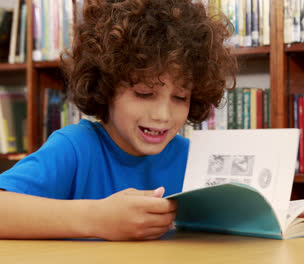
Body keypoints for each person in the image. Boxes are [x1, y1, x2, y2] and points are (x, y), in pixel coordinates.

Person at [0, 0, 237, 241]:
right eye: (144, 93)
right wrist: (97, 219)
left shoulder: (193, 159)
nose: (163, 115)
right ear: (106, 87)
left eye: (180, 97)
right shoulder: (75, 148)